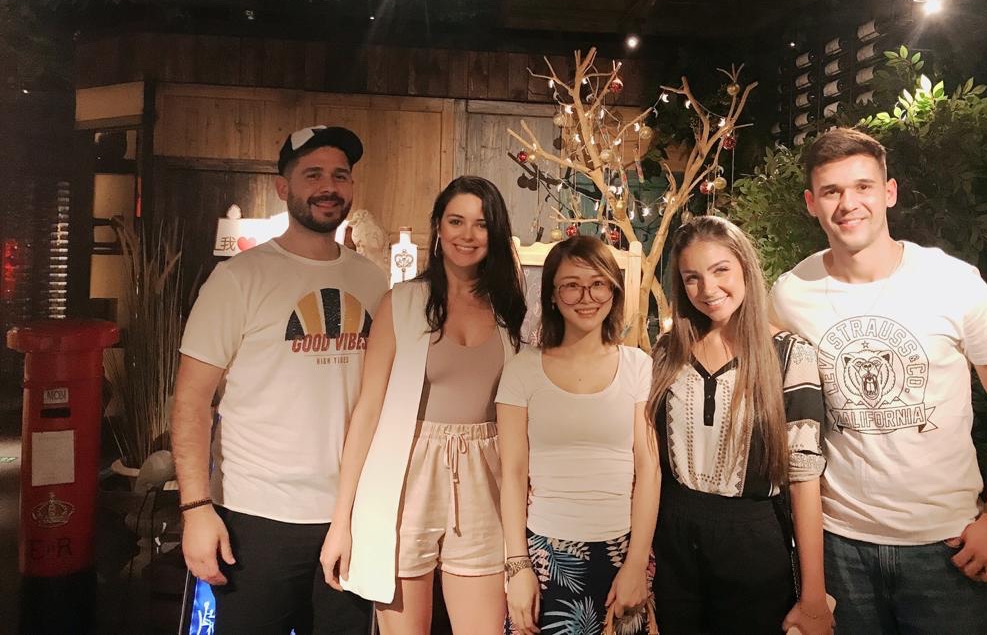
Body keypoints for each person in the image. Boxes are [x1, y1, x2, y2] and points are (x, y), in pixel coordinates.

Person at [770, 127, 987, 634]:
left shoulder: (953, 283)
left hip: (947, 548)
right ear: (811, 203)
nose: (848, 204)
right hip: (839, 550)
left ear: (889, 192)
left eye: (863, 187)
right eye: (831, 191)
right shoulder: (791, 293)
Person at [173, 125, 385, 634]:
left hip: (351, 515)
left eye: (340, 175)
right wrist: (196, 509)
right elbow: (191, 401)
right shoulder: (239, 278)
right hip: (257, 517)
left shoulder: (372, 279)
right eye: (313, 174)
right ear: (283, 187)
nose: (328, 186)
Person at [320, 176, 527, 635]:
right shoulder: (403, 302)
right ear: (438, 227)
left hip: (484, 476)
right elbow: (368, 410)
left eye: (480, 224)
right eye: (456, 221)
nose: (467, 235)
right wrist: (341, 521)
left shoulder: (508, 308)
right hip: (405, 473)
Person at [648, 215, 832, 635]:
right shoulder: (668, 352)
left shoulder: (789, 355)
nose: (708, 289)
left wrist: (814, 596)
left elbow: (804, 480)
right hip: (674, 534)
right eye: (692, 278)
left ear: (745, 268)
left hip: (753, 538)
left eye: (720, 270)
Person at [497, 234, 660, 635]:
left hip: (622, 550)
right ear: (553, 296)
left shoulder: (638, 365)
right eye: (571, 285)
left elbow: (649, 468)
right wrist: (517, 566)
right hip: (544, 555)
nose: (587, 297)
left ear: (613, 291)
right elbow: (513, 473)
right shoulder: (522, 369)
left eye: (598, 283)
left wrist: (637, 562)